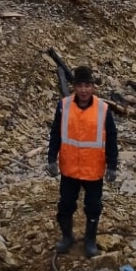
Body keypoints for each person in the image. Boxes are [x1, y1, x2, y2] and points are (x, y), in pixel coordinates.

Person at [46, 66, 118, 258]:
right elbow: (55, 133)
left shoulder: (103, 109)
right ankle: (67, 237)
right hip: (69, 169)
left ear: (93, 87)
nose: (84, 90)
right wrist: (51, 158)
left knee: (93, 207)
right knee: (66, 205)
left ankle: (90, 240)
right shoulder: (64, 106)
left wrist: (112, 165)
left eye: (87, 85)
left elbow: (111, 137)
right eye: (80, 85)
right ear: (74, 87)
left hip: (93, 170)